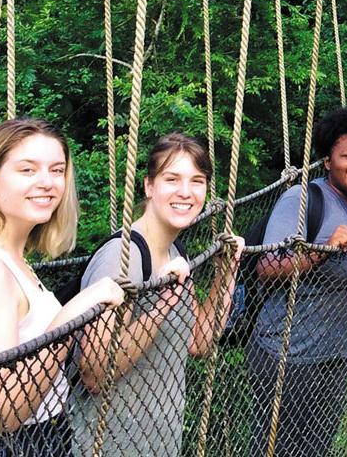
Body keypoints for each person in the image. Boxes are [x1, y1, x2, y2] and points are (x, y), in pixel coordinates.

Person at [0, 118, 125, 456]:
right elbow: (1, 412)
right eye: (27, 170)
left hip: (41, 439)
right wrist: (74, 315)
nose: (47, 183)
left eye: (57, 170)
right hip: (16, 445)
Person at [73, 132, 244, 455]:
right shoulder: (123, 257)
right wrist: (164, 302)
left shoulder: (174, 249)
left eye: (197, 180)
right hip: (111, 444)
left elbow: (198, 342)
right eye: (172, 179)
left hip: (160, 438)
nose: (185, 192)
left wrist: (227, 272)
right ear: (149, 186)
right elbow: (94, 374)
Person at [247, 105, 347, 457]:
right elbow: (266, 267)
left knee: (317, 448)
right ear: (328, 160)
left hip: (336, 355)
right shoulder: (302, 199)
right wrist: (322, 251)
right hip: (289, 357)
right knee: (278, 450)